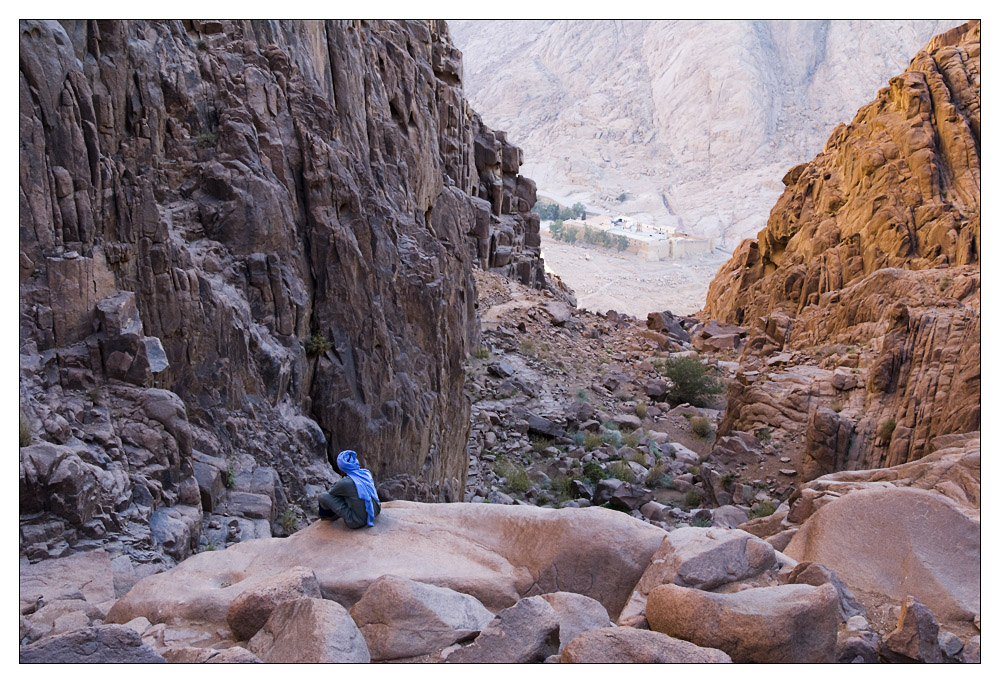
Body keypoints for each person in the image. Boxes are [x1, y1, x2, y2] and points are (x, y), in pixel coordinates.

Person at [318, 450, 381, 528]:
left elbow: (331, 493)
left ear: (341, 467)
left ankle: (328, 517)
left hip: (357, 521)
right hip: (376, 510)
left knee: (322, 496)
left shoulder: (345, 482)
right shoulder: (366, 473)